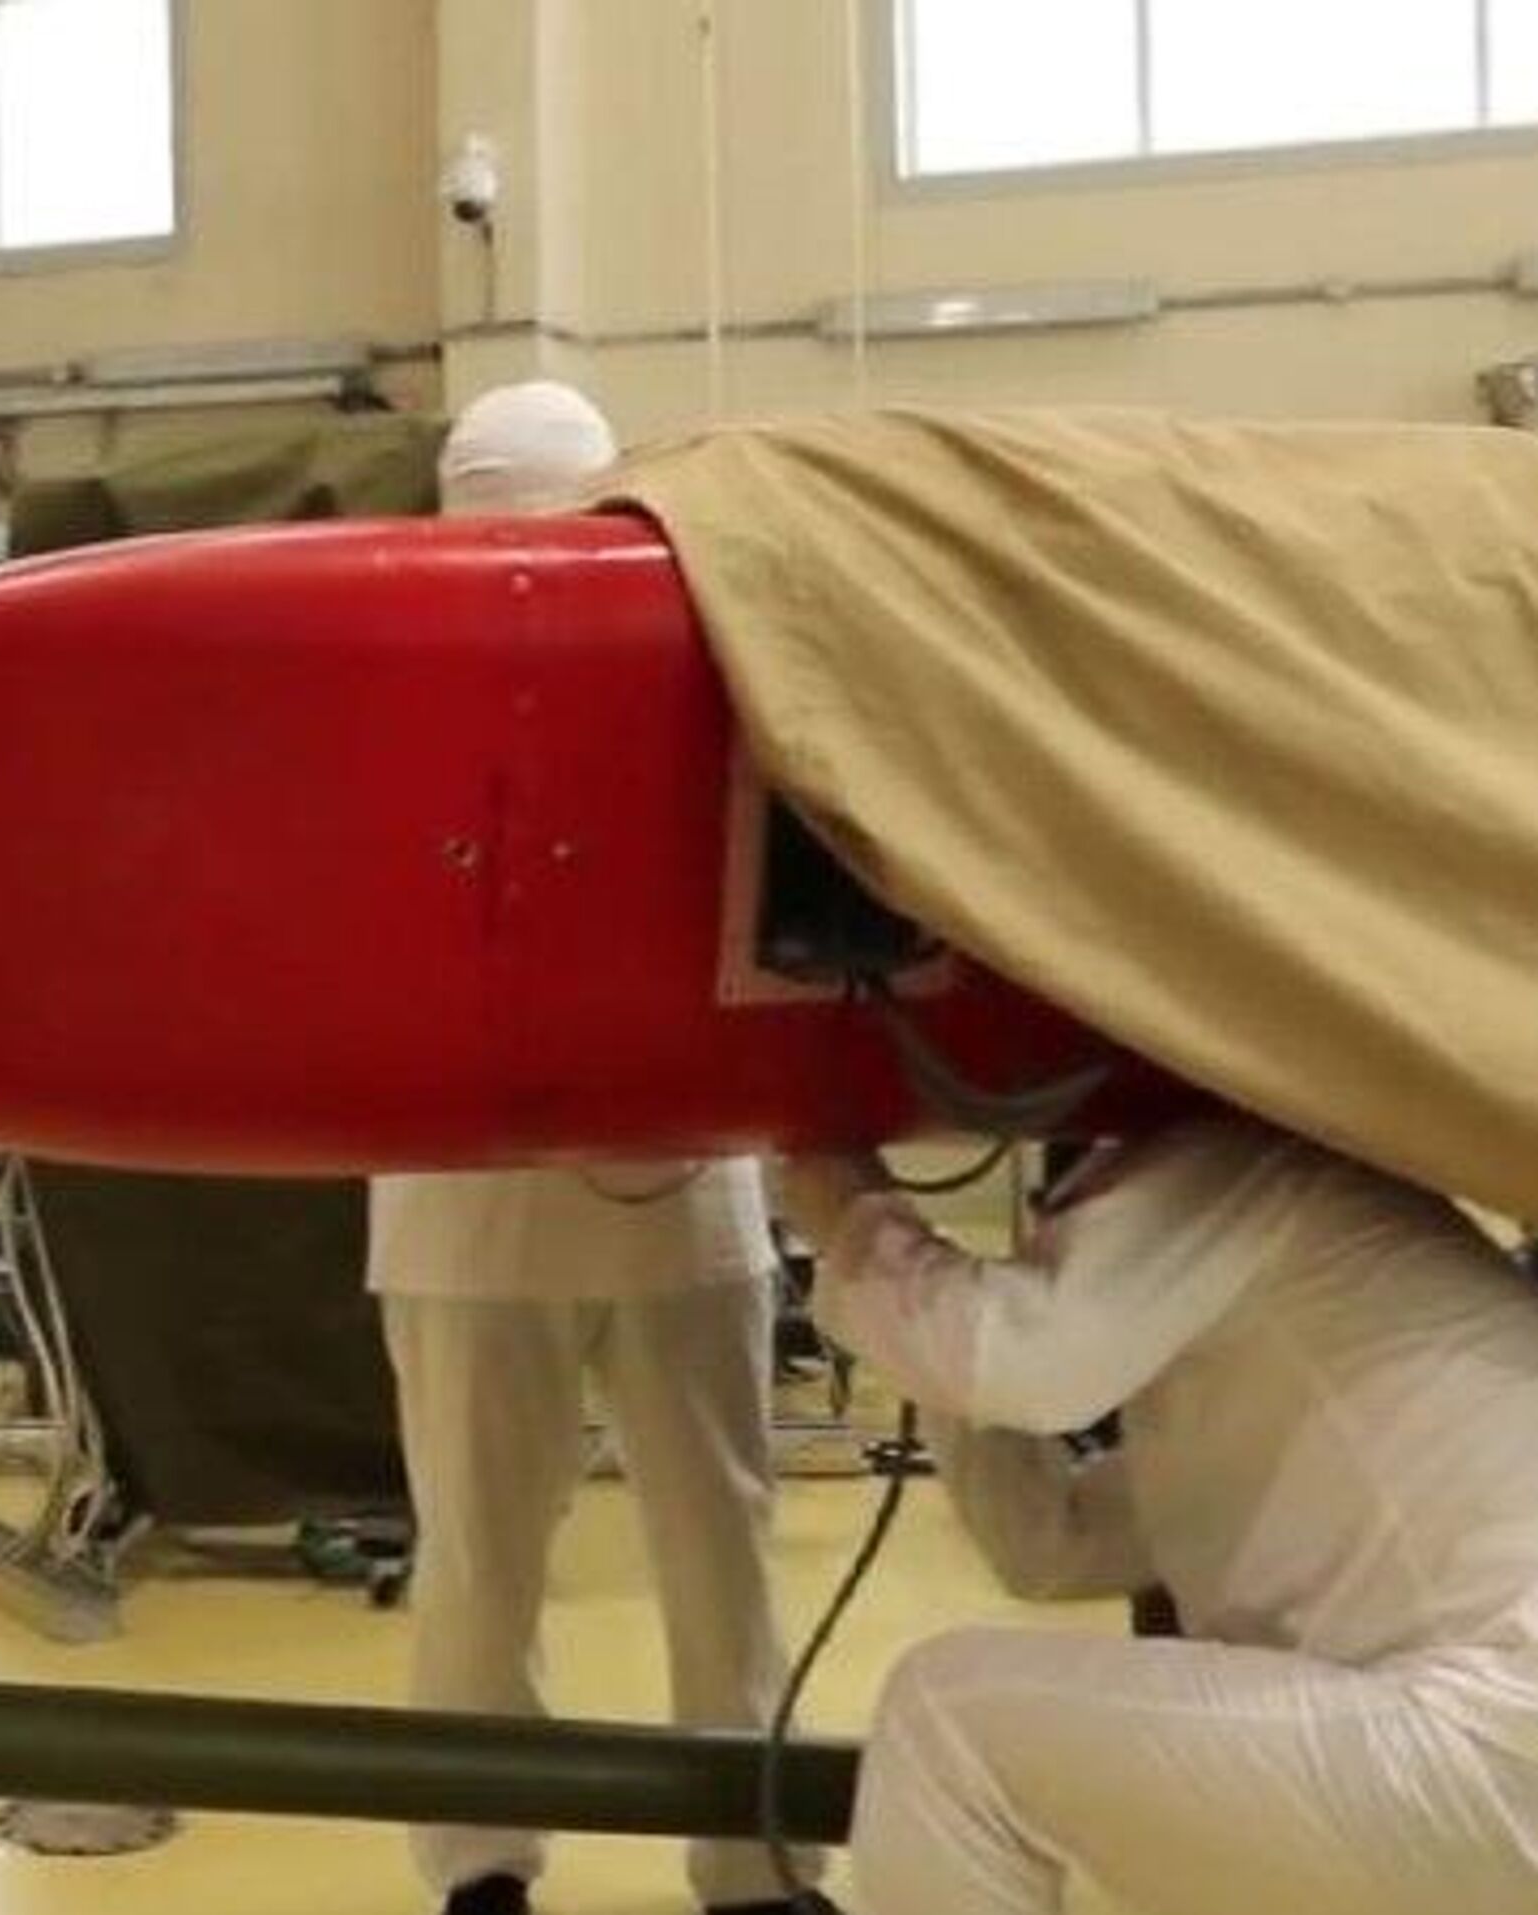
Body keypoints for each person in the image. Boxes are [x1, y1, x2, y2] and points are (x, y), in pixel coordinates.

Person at [369, 380, 835, 1915]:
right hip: (465, 1202)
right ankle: (481, 1863)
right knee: (480, 1554)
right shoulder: (384, 690)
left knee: (717, 1539)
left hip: (679, 1186)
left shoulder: (704, 662)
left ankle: (755, 1855)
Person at [777, 1115, 1538, 1915]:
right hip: (1479, 1739)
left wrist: (852, 1212)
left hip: (1488, 1726)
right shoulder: (1287, 1343)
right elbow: (1050, 1542)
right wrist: (899, 1301)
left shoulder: (1240, 1162)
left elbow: (1012, 1362)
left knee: (945, 1725)